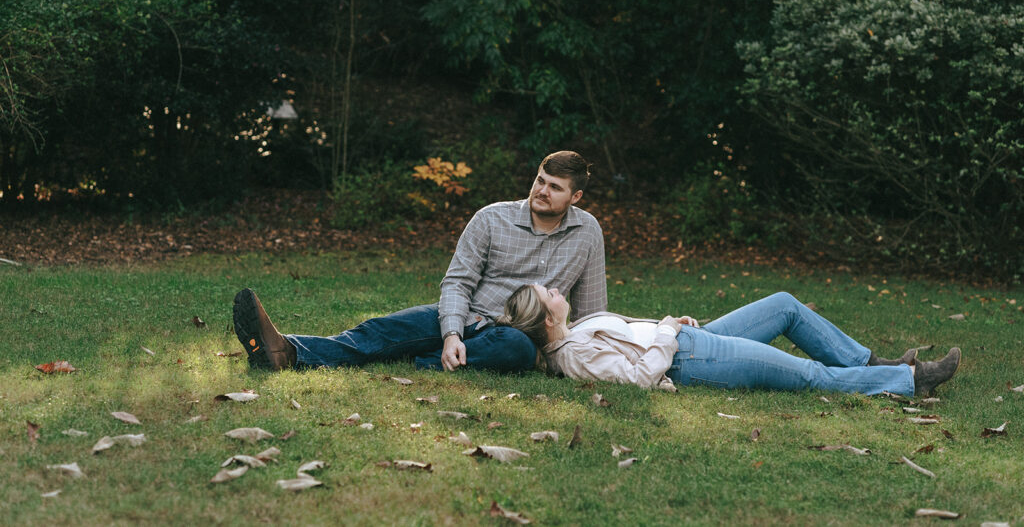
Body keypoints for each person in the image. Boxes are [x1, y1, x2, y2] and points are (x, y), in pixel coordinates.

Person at [233, 150, 607, 374]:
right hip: (468, 315)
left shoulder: (588, 232)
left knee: (516, 349)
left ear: (574, 196)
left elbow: (593, 310)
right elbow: (458, 283)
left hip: (517, 336)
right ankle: (287, 350)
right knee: (379, 331)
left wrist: (594, 354)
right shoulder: (492, 218)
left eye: (554, 187)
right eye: (540, 180)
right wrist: (452, 334)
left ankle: (424, 359)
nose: (542, 191)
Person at [497, 285, 961, 397]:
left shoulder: (573, 334)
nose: (558, 290)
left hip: (692, 337)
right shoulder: (573, 356)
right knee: (806, 374)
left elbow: (631, 337)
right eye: (549, 295)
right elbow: (640, 376)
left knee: (784, 305)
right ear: (547, 319)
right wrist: (666, 331)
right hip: (694, 359)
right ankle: (909, 381)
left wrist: (671, 323)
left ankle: (872, 360)